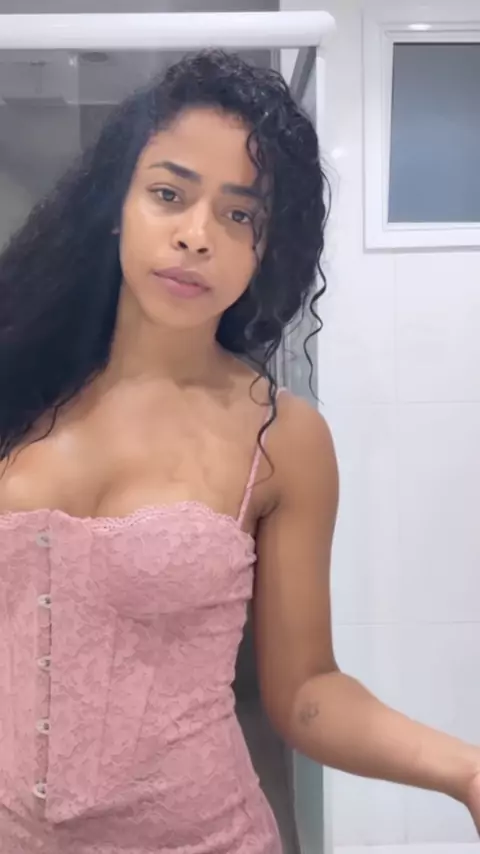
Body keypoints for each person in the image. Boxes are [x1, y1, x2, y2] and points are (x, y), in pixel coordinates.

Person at [0, 49, 478, 854]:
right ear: (116, 206)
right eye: (169, 194)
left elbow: (307, 692)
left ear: (265, 248)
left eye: (239, 215)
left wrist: (466, 769)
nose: (197, 236)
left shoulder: (282, 438)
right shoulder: (16, 385)